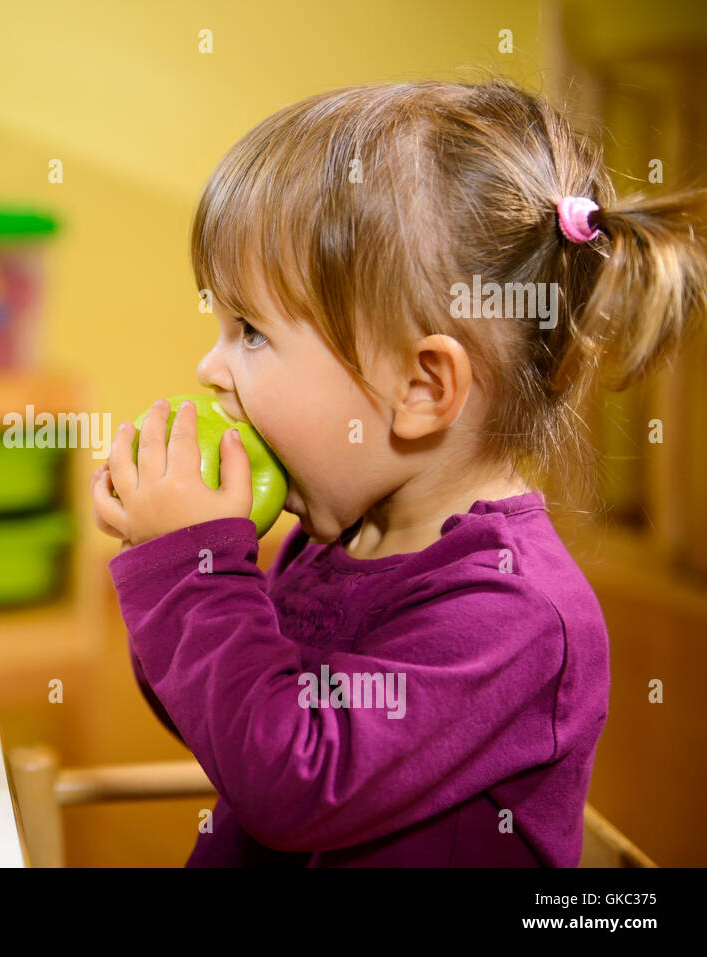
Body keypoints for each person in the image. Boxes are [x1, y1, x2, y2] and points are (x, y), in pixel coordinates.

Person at [90, 78, 707, 866]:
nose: (210, 366)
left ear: (420, 389)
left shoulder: (514, 617)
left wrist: (188, 577)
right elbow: (230, 724)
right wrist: (188, 564)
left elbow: (290, 779)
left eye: (249, 330)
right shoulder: (338, 537)